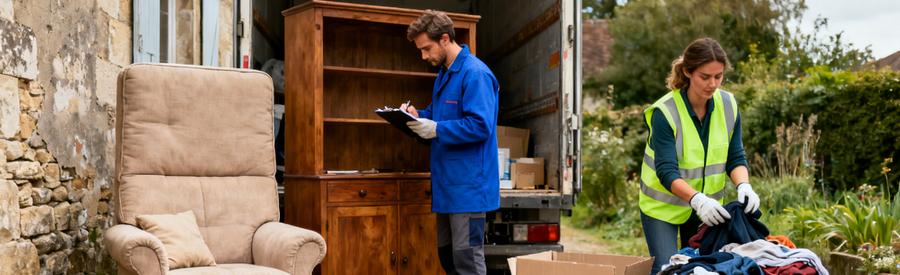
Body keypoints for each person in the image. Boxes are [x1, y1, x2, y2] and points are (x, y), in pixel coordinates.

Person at [638, 37, 761, 273]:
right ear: (688, 72)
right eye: (705, 77)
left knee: (702, 269)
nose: (712, 84)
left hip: (707, 209)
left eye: (718, 76)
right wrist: (697, 200)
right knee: (666, 269)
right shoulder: (664, 112)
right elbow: (666, 170)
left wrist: (744, 185)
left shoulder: (728, 105)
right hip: (663, 208)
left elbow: (735, 156)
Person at [400, 10, 500, 275]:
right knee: (447, 257)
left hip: (469, 188)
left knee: (468, 261)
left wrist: (436, 129)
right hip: (447, 186)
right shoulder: (445, 74)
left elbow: (480, 126)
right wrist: (417, 115)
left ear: (445, 39)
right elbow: (438, 114)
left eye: (427, 49)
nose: (424, 56)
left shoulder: (476, 74)